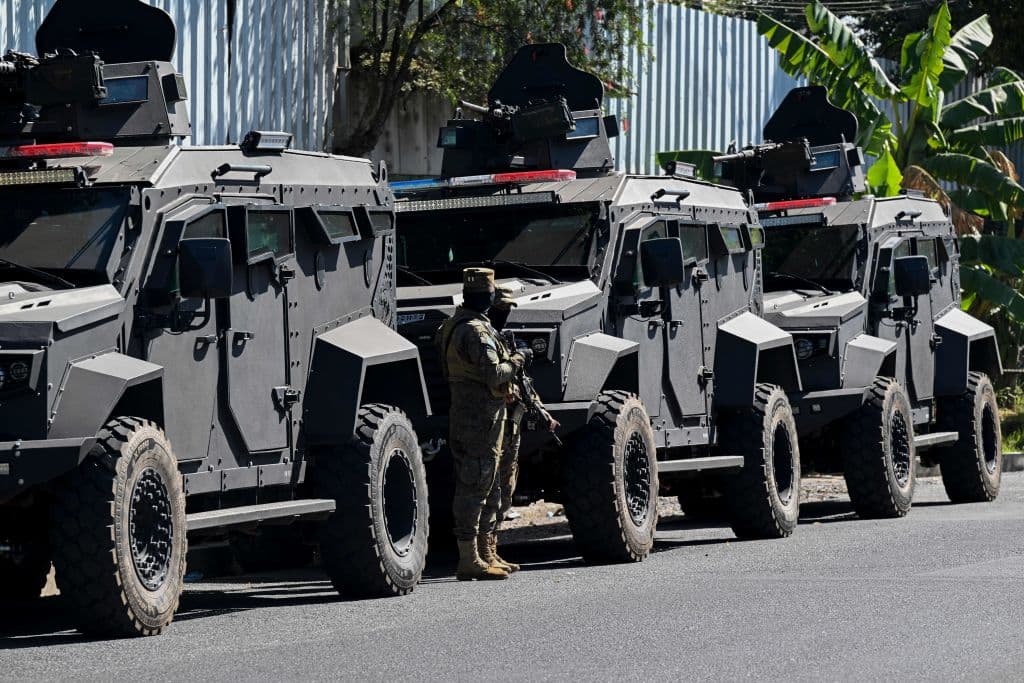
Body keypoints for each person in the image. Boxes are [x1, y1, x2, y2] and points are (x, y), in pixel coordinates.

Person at [435, 269, 526, 581]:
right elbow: (495, 375)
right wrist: (517, 359)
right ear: (488, 297)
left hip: (474, 417)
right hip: (479, 419)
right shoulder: (475, 331)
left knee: (488, 485)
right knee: (474, 486)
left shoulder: (452, 326)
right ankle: (469, 557)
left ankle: (486, 553)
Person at [482, 285, 559, 574]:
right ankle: (482, 552)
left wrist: (543, 415)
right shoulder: (481, 336)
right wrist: (518, 359)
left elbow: (524, 386)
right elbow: (495, 375)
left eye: (507, 310)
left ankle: (491, 549)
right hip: (491, 422)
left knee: (504, 492)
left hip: (510, 423)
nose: (504, 314)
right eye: (500, 309)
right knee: (487, 491)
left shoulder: (501, 339)